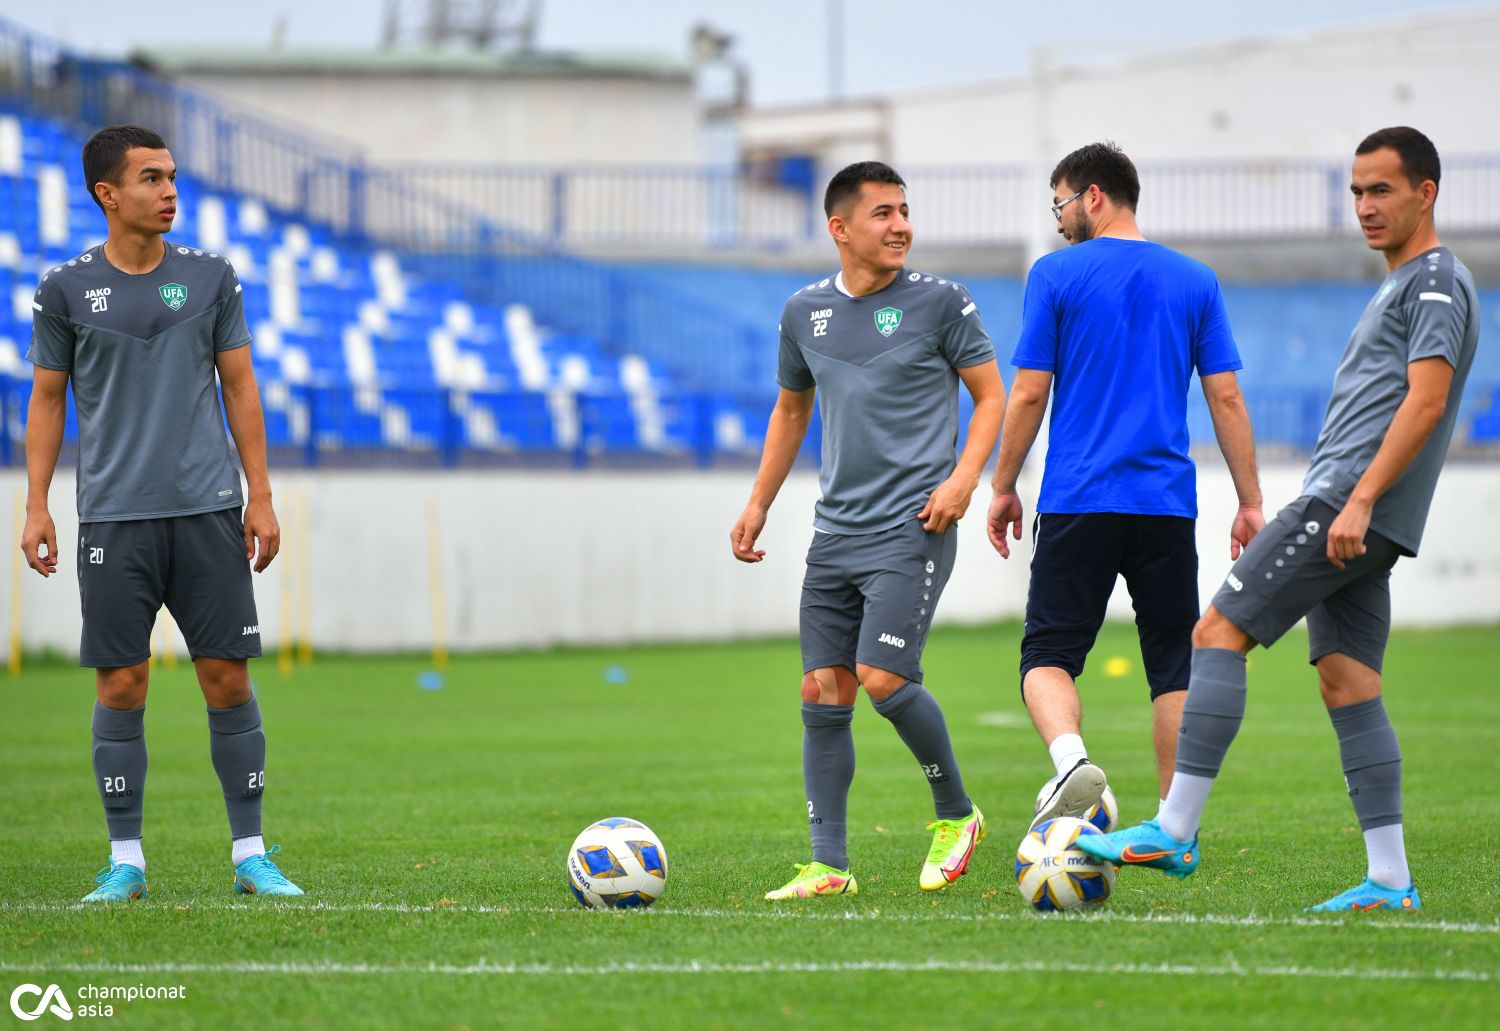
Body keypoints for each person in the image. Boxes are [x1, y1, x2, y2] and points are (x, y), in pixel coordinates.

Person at [1079, 127, 1481, 912]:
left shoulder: (1434, 281)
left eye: (1382, 191)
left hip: (1345, 505)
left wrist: (1359, 498)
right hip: (1361, 512)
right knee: (1347, 681)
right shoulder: (1405, 282)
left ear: (1425, 193)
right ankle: (1390, 878)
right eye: (1357, 191)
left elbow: (1427, 400)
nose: (1364, 206)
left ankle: (1174, 826)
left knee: (1215, 632)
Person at [21, 124, 302, 901]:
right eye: (150, 178)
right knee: (121, 686)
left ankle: (250, 852)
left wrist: (262, 495)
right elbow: (46, 403)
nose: (169, 190)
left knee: (226, 679)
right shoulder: (65, 289)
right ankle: (127, 861)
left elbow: (241, 388)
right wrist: (36, 504)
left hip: (209, 510)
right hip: (113, 518)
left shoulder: (213, 278)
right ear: (107, 194)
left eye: (172, 176)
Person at [731, 161, 1005, 899]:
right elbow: (790, 411)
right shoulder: (802, 313)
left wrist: (961, 481)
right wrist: (759, 501)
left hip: (913, 523)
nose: (901, 225)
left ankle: (957, 813)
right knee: (824, 688)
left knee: (883, 678)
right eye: (883, 212)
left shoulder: (943, 302)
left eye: (905, 210)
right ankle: (829, 865)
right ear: (840, 228)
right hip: (836, 532)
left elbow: (991, 397)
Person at [986, 141, 1263, 832]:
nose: (1057, 220)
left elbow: (1026, 394)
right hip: (1165, 503)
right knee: (1173, 664)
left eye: (1060, 203)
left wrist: (1002, 483)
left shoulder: (1055, 275)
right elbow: (1226, 397)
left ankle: (1072, 761)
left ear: (1095, 196)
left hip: (1080, 496)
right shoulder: (1196, 279)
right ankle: (1173, 825)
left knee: (1046, 655)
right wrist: (1250, 500)